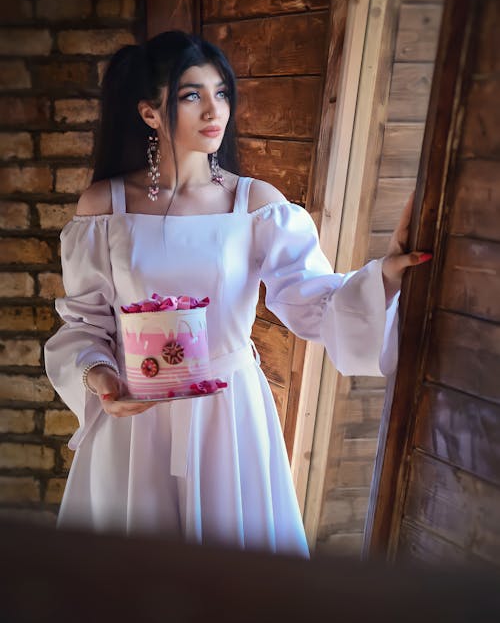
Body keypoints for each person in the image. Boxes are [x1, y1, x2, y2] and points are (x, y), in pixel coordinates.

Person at [44, 30, 430, 557]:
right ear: (149, 113)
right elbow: (84, 325)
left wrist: (384, 275)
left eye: (221, 92)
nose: (214, 110)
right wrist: (102, 380)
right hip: (138, 418)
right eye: (191, 95)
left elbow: (315, 300)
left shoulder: (254, 204)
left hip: (229, 414)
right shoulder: (104, 207)